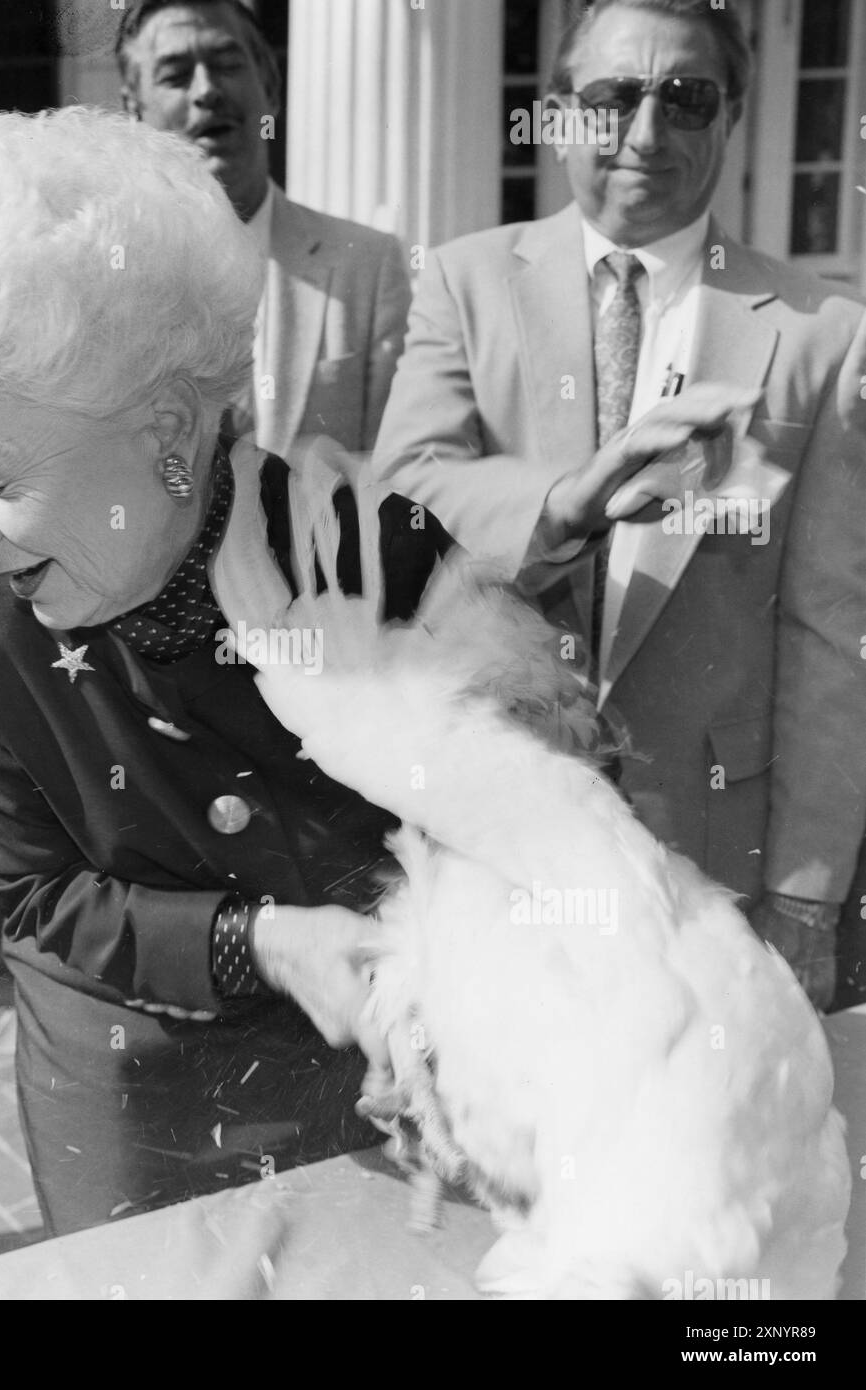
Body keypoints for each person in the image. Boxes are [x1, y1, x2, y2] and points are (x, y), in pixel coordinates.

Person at [0, 105, 446, 1237]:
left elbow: (499, 829)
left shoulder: (381, 552)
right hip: (126, 1088)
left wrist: (450, 984)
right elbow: (36, 895)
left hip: (369, 1079)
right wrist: (262, 936)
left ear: (164, 427)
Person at [371, 0, 866, 1010]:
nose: (645, 135)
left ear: (729, 115)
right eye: (609, 100)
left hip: (710, 850)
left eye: (685, 99)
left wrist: (804, 896)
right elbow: (403, 493)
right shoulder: (463, 285)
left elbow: (831, 634)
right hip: (493, 824)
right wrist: (565, 503)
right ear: (554, 115)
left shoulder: (819, 337)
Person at [116, 0, 410, 459]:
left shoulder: (368, 269)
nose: (206, 90)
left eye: (227, 64)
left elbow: (396, 471)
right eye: (175, 75)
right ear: (134, 113)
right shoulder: (105, 282)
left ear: (270, 85)